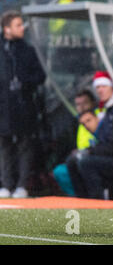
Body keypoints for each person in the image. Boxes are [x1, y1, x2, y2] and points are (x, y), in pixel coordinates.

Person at [0, 10, 46, 198]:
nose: (22, 28)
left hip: (24, 106)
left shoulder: (28, 50)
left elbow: (41, 76)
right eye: (18, 25)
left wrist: (25, 83)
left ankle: (21, 185)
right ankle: (6, 184)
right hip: (3, 107)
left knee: (25, 145)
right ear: (7, 28)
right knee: (4, 145)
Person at [70, 71, 113, 199]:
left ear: (112, 86)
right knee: (72, 161)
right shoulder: (108, 111)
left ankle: (98, 200)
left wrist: (90, 151)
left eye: (103, 86)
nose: (100, 90)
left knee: (86, 162)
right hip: (112, 155)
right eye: (97, 88)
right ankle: (82, 200)